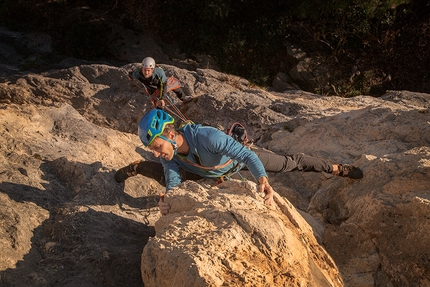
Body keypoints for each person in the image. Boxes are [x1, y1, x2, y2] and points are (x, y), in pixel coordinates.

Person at [115, 109, 363, 215]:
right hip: (205, 174)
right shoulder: (170, 156)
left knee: (289, 163)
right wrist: (170, 200)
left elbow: (247, 155)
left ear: (170, 135)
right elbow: (173, 180)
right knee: (160, 171)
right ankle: (136, 167)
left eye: (157, 147)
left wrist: (262, 179)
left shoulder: (207, 136)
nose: (157, 152)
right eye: (153, 149)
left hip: (235, 166)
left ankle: (335, 168)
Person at [128, 57, 193, 103]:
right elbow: (131, 74)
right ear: (142, 68)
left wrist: (162, 98)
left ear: (153, 69)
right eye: (144, 70)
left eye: (148, 70)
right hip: (152, 89)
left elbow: (163, 85)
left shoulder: (159, 72)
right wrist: (130, 76)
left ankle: (183, 98)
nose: (146, 72)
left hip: (161, 84)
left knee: (174, 83)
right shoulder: (138, 73)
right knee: (156, 102)